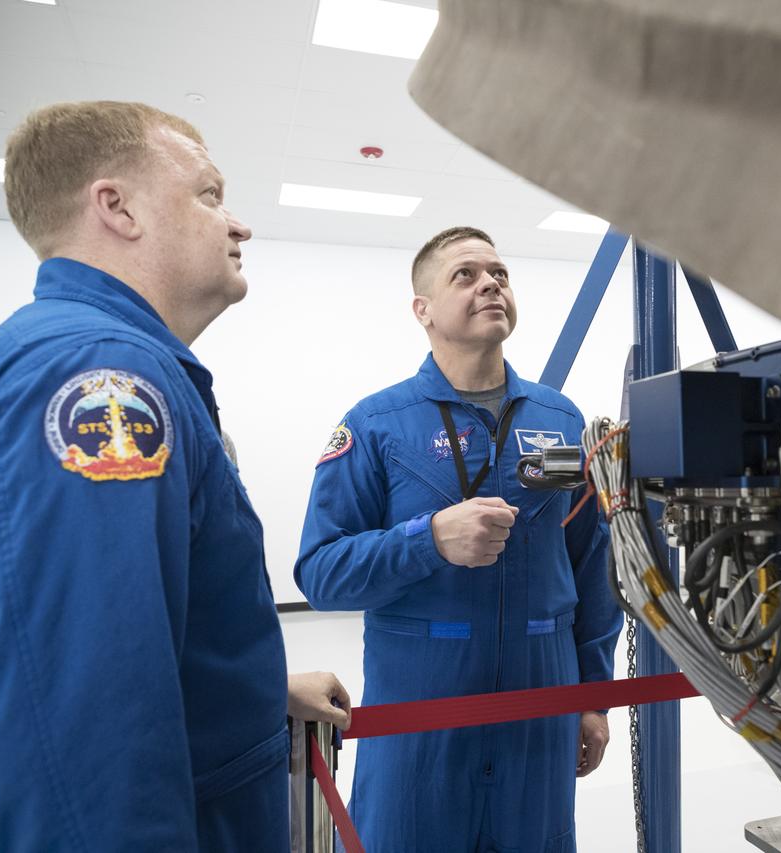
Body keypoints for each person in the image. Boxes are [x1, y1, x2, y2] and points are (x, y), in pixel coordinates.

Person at [0, 101, 350, 852]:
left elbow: (67, 639)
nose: (238, 224)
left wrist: (254, 693)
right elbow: (88, 729)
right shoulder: (100, 380)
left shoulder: (47, 356)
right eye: (210, 195)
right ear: (116, 207)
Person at [297, 226, 622, 852]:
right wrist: (427, 541)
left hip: (541, 697)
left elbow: (589, 562)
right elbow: (321, 572)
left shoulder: (557, 423)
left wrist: (593, 695)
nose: (490, 283)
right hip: (423, 705)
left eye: (498, 273)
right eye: (465, 275)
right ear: (423, 310)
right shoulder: (377, 426)